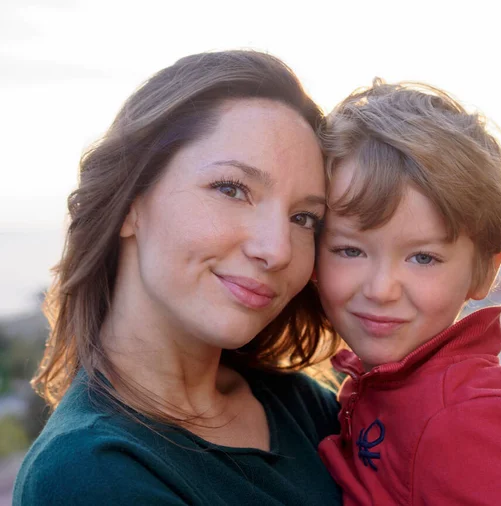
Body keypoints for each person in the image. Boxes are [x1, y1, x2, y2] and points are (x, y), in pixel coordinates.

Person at [13, 50, 342, 505]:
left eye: (304, 217)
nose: (276, 249)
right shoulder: (91, 474)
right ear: (130, 203)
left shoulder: (303, 407)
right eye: (231, 189)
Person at [316, 80, 501, 505]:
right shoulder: (389, 386)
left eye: (423, 258)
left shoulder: (464, 425)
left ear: (484, 272)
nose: (381, 288)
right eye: (350, 250)